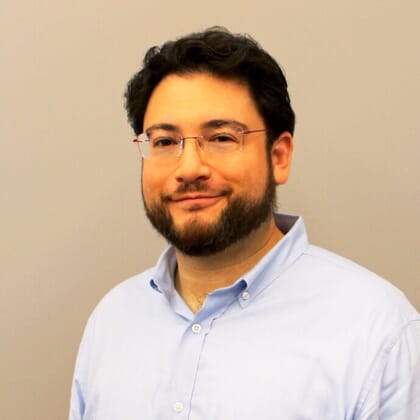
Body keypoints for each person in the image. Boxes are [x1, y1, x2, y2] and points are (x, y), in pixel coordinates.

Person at [69, 27, 420, 419]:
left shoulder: (377, 331)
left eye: (220, 137)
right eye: (166, 142)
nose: (188, 169)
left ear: (280, 156)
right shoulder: (113, 320)